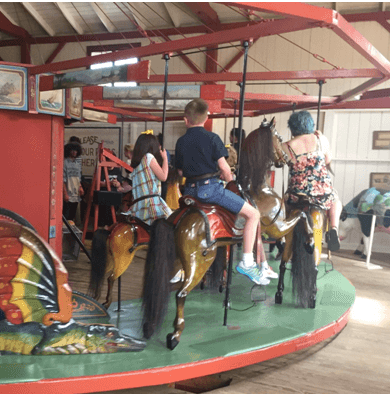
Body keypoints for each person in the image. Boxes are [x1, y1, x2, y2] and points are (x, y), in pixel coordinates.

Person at [174, 98, 269, 285]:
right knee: (253, 214)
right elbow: (225, 169)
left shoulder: (181, 142)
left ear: (186, 120)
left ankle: (178, 265)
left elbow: (179, 172)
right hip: (211, 190)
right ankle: (247, 262)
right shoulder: (212, 138)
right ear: (206, 117)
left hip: (188, 193)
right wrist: (231, 181)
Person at [281, 110, 342, 251]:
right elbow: (328, 160)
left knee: (283, 204)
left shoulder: (286, 146)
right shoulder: (321, 139)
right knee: (336, 200)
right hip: (323, 193)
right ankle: (334, 228)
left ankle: (282, 236)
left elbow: (285, 163)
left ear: (292, 127)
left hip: (298, 194)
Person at [127, 130, 171, 225]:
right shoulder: (148, 157)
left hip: (138, 205)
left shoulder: (135, 165)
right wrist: (165, 158)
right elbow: (163, 177)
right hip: (151, 204)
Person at [63, 140, 84, 221]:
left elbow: (78, 176)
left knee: (72, 216)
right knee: (66, 215)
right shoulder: (64, 162)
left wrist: (80, 187)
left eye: (76, 150)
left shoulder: (77, 162)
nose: (74, 152)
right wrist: (65, 193)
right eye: (72, 150)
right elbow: (62, 179)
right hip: (68, 192)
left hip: (75, 193)